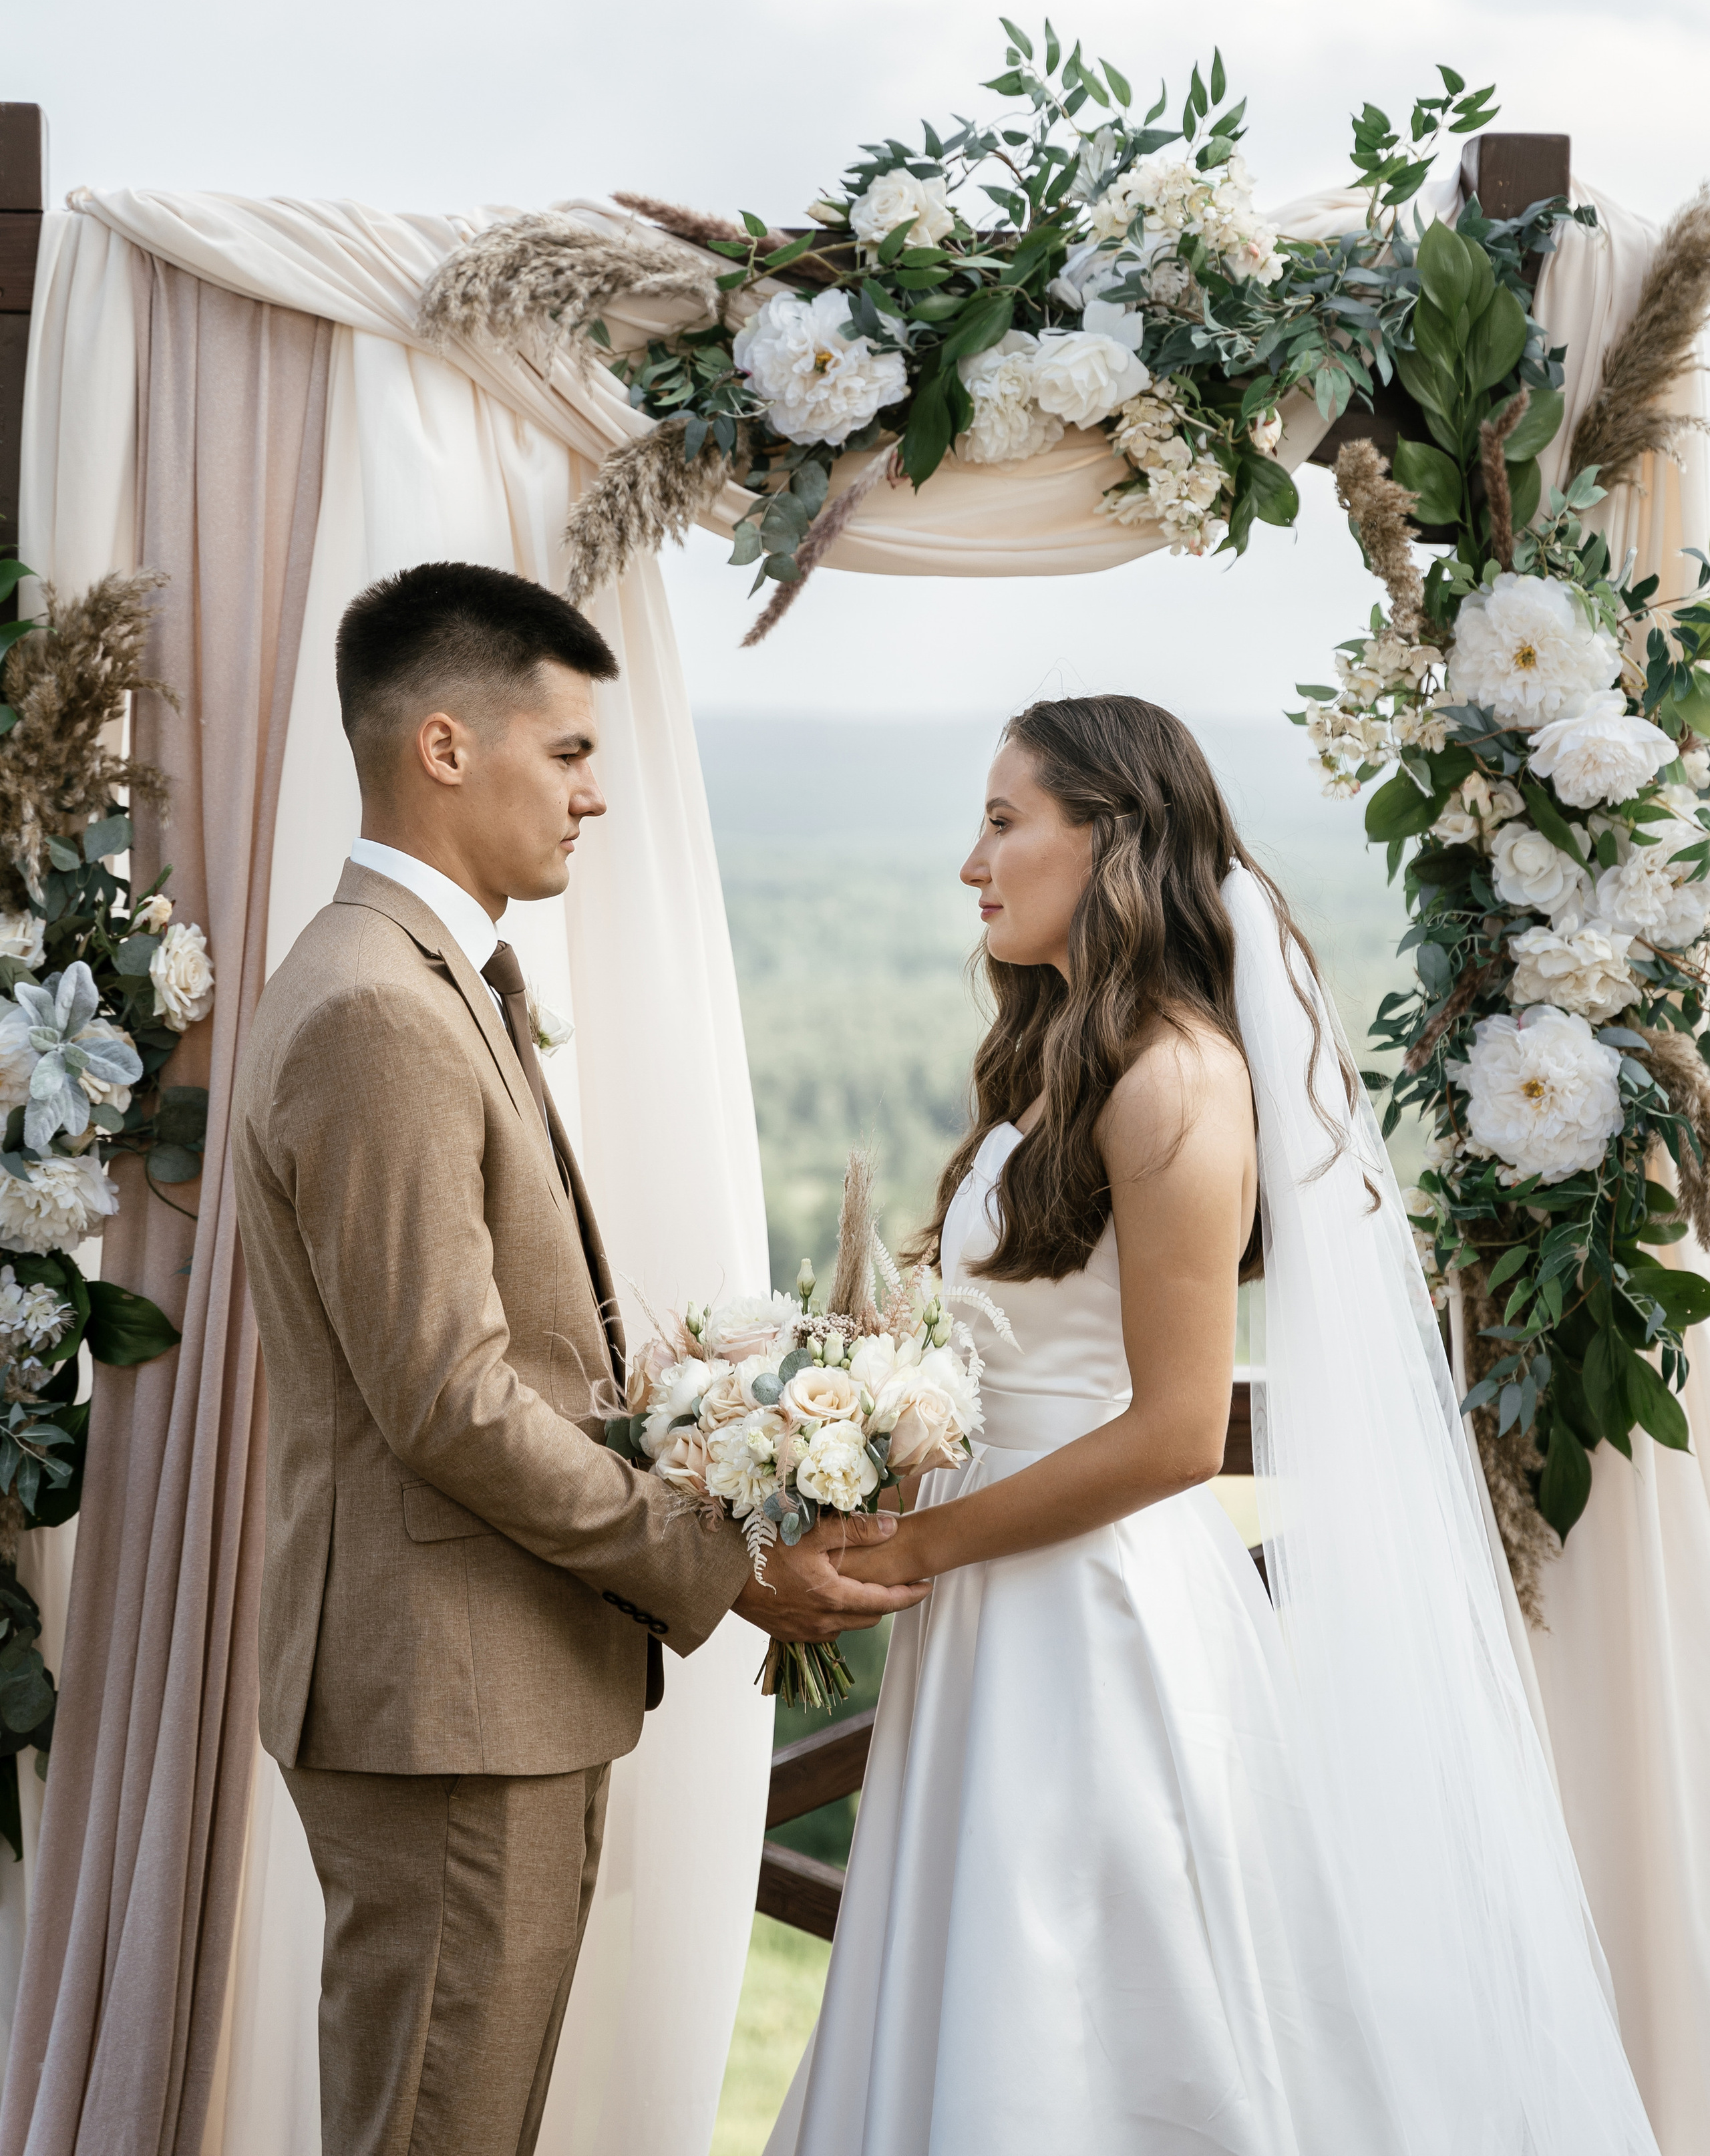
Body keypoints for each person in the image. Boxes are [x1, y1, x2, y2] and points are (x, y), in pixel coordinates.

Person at [767, 694, 1659, 2156]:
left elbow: (1179, 1433)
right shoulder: (1064, 1053)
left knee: (1080, 2008)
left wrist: (900, 1545)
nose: (969, 860)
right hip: (996, 1599)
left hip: (1090, 1613)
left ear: (1108, 837)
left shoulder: (1177, 1077)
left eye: (1003, 820)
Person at [231, 561, 925, 2156]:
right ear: (447, 747)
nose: (595, 796)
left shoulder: (417, 980)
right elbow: (451, 1399)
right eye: (568, 753)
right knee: (436, 2127)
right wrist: (716, 1559)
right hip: (443, 1694)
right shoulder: (375, 1011)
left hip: (490, 1684)